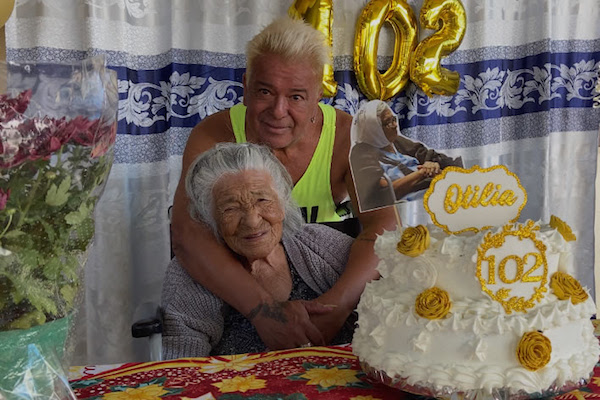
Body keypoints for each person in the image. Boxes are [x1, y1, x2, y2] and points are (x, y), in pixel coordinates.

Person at [170, 17, 396, 350]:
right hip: (237, 306)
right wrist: (264, 312)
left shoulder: (353, 138)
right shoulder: (213, 135)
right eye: (265, 92)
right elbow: (187, 235)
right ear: (245, 86)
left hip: (326, 294)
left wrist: (334, 310)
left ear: (319, 94)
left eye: (297, 97)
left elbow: (385, 229)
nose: (278, 111)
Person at [162, 143, 356, 358]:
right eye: (230, 208)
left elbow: (382, 287)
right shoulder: (190, 278)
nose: (252, 221)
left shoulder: (319, 244)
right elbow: (183, 369)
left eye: (262, 200)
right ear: (210, 218)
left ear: (283, 202)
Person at [350, 100, 463, 212]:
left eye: (394, 119)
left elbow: (432, 157)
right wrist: (422, 173)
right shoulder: (361, 153)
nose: (395, 125)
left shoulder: (396, 141)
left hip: (437, 190)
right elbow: (382, 194)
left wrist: (435, 168)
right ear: (374, 129)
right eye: (388, 122)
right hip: (412, 207)